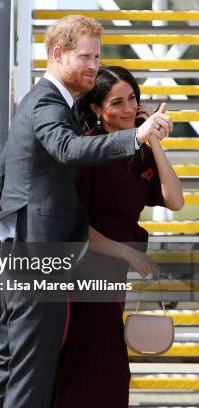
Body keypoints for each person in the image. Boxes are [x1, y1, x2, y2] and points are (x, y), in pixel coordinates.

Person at [0, 16, 173, 408]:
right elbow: (68, 149)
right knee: (30, 379)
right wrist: (137, 135)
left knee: (9, 371)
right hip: (37, 259)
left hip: (29, 253)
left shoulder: (53, 102)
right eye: (85, 56)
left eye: (97, 56)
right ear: (57, 54)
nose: (94, 65)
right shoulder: (46, 102)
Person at [52, 66, 184, 408]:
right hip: (84, 272)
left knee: (105, 367)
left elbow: (175, 200)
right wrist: (128, 254)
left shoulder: (138, 151)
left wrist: (153, 140)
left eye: (132, 99)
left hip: (114, 275)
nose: (128, 109)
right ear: (97, 109)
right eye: (117, 102)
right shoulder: (88, 152)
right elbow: (74, 227)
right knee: (95, 366)